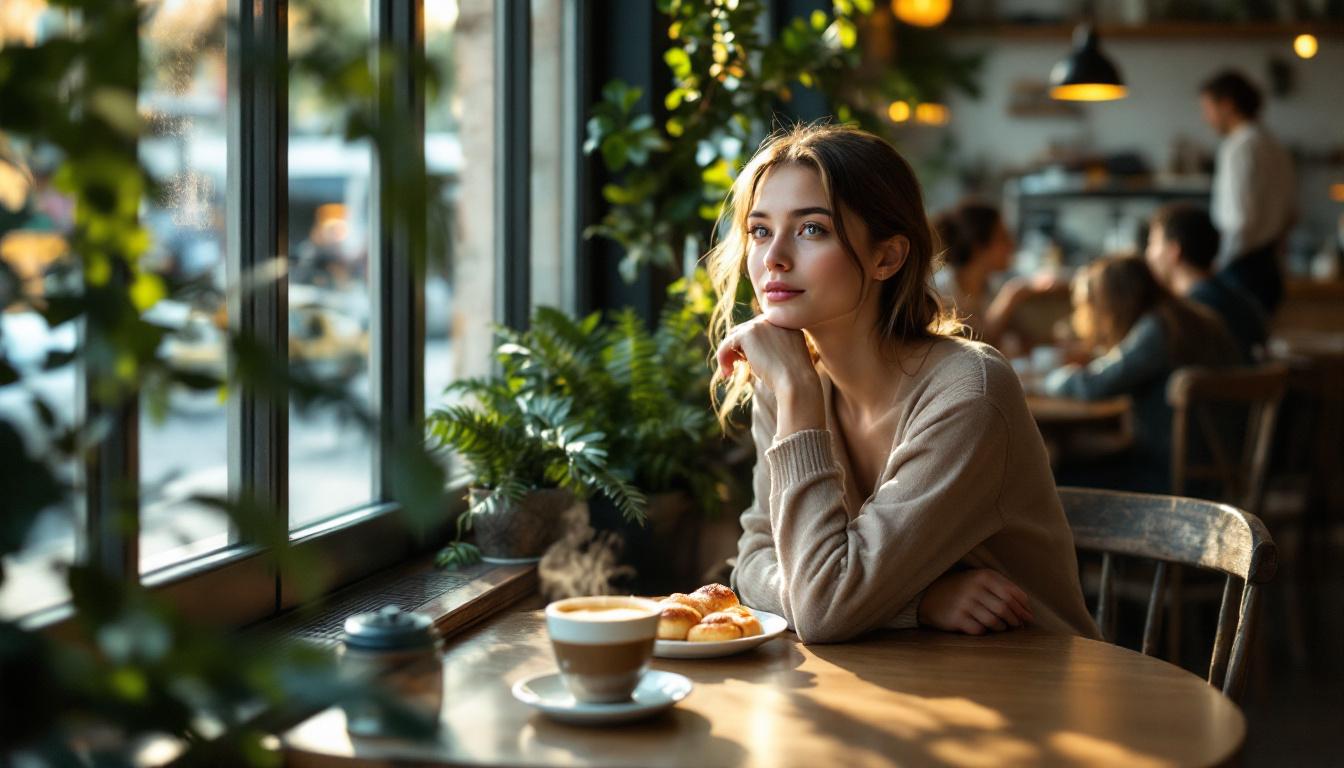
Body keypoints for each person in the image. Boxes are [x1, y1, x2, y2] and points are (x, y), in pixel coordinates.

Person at [711, 124, 1098, 643]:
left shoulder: (968, 392)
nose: (774, 257)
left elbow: (823, 608)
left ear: (887, 257)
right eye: (760, 231)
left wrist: (799, 395)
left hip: (1034, 675)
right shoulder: (787, 378)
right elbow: (753, 564)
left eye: (812, 229)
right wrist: (917, 603)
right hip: (895, 675)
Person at [1044, 254, 1242, 493]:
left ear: (1114, 302)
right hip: (1219, 473)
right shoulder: (1193, 317)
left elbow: (1093, 386)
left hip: (1171, 481)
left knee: (1054, 475)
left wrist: (1049, 380)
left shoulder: (1158, 328)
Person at [1199, 70, 1295, 314]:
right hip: (1270, 265)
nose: (1206, 118)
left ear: (1227, 105)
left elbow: (1239, 221)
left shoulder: (1239, 148)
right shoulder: (1274, 145)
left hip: (1241, 268)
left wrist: (1216, 265)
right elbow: (1291, 213)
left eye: (1208, 109)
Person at [1145, 202, 1268, 362]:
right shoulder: (1245, 303)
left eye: (1153, 243)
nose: (1148, 254)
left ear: (1173, 251)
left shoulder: (1185, 315)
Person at [931, 201, 1058, 348]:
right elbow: (977, 345)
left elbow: (1020, 338)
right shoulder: (939, 293)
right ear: (979, 248)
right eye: (1003, 238)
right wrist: (1011, 296)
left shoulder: (991, 286)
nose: (1011, 245)